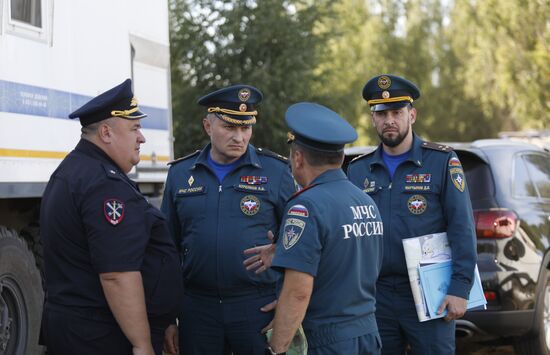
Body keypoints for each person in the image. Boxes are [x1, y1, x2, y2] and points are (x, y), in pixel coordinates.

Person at [39, 79, 183, 355]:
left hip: (79, 329)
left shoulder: (73, 170)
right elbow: (117, 275)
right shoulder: (104, 184)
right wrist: (142, 344)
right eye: (134, 128)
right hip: (102, 335)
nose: (141, 138)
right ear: (106, 132)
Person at [346, 74, 477, 354]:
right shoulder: (358, 170)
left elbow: (462, 227)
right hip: (375, 295)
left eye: (397, 112)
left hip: (430, 289)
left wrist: (460, 288)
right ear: (373, 118)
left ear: (412, 115)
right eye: (382, 114)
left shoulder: (441, 161)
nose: (389, 120)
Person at [161, 84, 296, 355]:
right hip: (198, 308)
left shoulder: (276, 172)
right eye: (229, 127)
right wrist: (166, 317)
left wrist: (287, 301)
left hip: (257, 306)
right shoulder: (180, 174)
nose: (239, 137)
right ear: (207, 126)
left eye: (245, 128)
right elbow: (166, 250)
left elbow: (301, 242)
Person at [266, 102, 384, 355]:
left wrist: (277, 348)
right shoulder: (366, 201)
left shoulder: (305, 207)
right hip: (367, 333)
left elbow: (298, 292)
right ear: (341, 157)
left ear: (298, 159)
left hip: (327, 339)